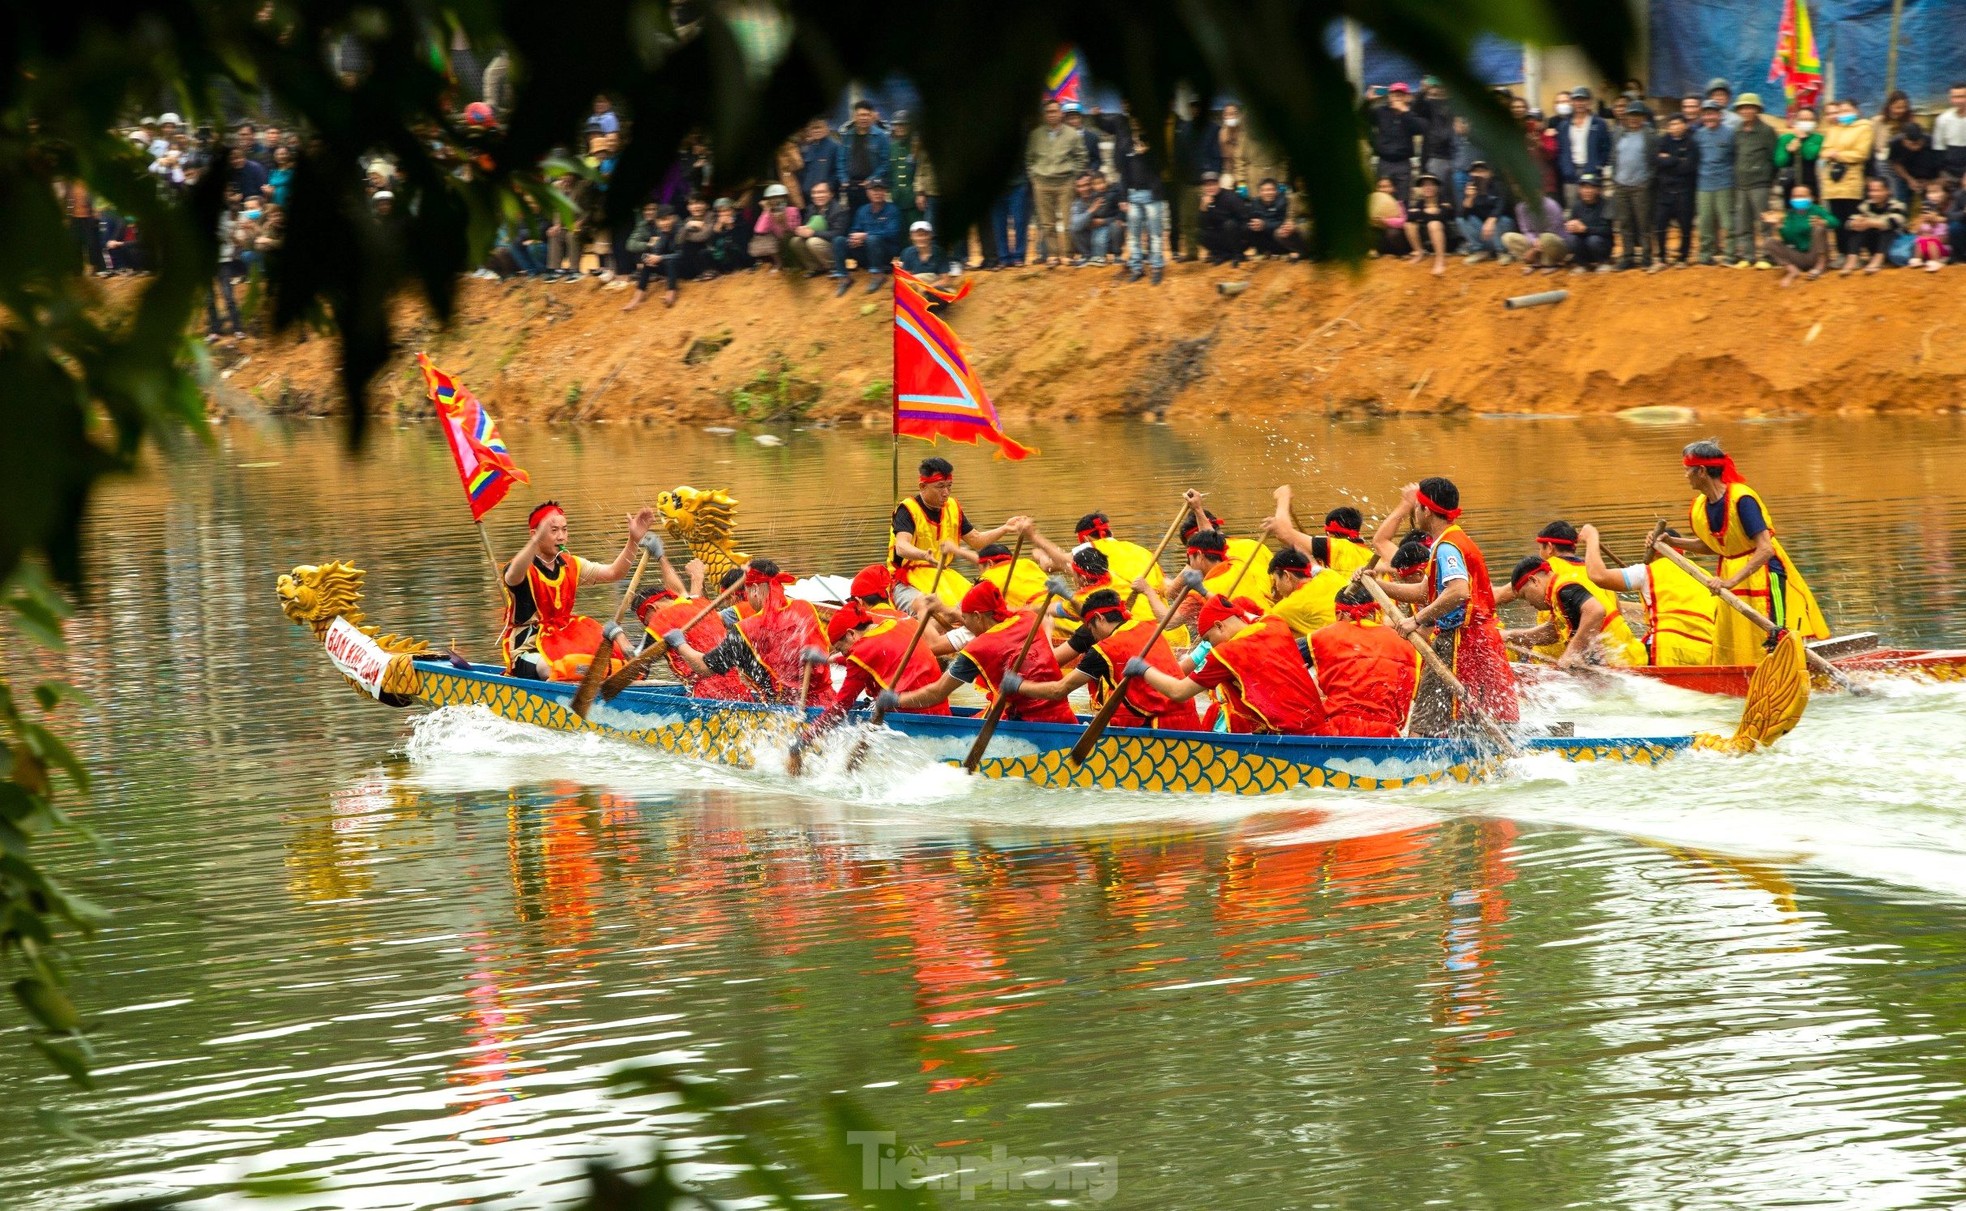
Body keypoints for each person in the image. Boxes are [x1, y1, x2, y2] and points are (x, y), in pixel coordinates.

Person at [1370, 478, 1518, 735]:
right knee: (1479, 718)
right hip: (1478, 640)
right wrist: (1374, 585)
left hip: (1461, 641)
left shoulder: (1447, 547)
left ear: (1426, 511)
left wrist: (1416, 621)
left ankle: (1414, 768)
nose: (1415, 513)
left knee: (1425, 720)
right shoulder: (1453, 540)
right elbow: (1422, 593)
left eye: (1416, 507)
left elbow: (1458, 591)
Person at [1679, 439, 1829, 665]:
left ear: (1701, 471)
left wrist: (1730, 581)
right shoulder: (1701, 505)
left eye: (1687, 470)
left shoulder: (1742, 499)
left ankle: (1786, 668)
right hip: (1733, 574)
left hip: (1767, 575)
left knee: (1774, 634)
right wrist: (1670, 541)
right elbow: (1716, 546)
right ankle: (1745, 675)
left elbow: (1765, 549)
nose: (1685, 475)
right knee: (1735, 634)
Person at [1127, 594, 1328, 736]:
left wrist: (1143, 669)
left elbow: (1178, 692)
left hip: (1287, 735)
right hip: (1319, 726)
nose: (1209, 645)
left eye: (1208, 638)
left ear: (1219, 625)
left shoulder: (1226, 653)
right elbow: (1240, 612)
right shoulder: (1275, 624)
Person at [500, 501, 656, 681]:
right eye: (553, 531)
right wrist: (534, 543)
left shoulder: (571, 564)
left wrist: (633, 541)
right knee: (558, 670)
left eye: (564, 530)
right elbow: (512, 576)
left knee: (612, 662)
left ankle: (613, 673)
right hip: (528, 650)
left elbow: (615, 572)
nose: (561, 537)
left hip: (566, 640)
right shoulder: (520, 568)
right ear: (535, 534)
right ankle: (585, 677)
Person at [1014, 588, 1204, 730]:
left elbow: (1059, 690)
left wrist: (1017, 686)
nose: (1092, 635)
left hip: (1160, 729)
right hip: (1190, 719)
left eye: (1090, 628)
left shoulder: (1104, 649)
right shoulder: (1148, 627)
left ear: (1099, 618)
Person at [895, 580, 1078, 725]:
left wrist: (896, 699)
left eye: (965, 618)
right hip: (1065, 716)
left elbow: (937, 693)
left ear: (977, 616)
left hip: (1025, 725)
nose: (964, 623)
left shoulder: (979, 647)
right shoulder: (1028, 619)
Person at [665, 558, 836, 707]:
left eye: (747, 591)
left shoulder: (745, 630)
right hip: (829, 703)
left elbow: (703, 667)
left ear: (754, 588)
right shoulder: (805, 607)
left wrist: (680, 643)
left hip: (785, 714)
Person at [887, 456, 1026, 609]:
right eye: (940, 486)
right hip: (907, 579)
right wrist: (924, 555)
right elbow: (901, 547)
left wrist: (1005, 528)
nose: (946, 493)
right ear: (922, 487)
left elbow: (976, 540)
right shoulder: (907, 509)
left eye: (949, 486)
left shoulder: (952, 507)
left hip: (944, 576)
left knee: (985, 604)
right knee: (932, 610)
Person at [1575, 523, 1715, 667]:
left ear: (1652, 551)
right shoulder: (1706, 577)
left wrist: (1592, 537)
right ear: (1684, 553)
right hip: (1706, 654)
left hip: (1666, 652)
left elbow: (1598, 576)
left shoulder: (1646, 572)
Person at [814, 598, 949, 728]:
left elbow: (842, 705)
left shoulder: (861, 652)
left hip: (914, 718)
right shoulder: (894, 624)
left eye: (840, 649)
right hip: (941, 709)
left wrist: (806, 738)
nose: (843, 654)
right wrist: (827, 659)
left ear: (851, 634)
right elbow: (871, 656)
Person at [1309, 585, 1419, 737]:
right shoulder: (1407, 644)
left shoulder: (1324, 635)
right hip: (1387, 733)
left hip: (1339, 731)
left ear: (1339, 614)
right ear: (1374, 613)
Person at [1502, 556, 1646, 669]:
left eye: (1524, 595)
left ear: (1534, 581)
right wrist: (1511, 635)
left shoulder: (1564, 587)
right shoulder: (1557, 593)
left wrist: (1570, 654)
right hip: (1619, 662)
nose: (1529, 603)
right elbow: (1552, 632)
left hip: (1623, 664)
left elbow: (1596, 611)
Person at [1026, 100, 1088, 266]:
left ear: (1061, 114)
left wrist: (1074, 177)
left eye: (1055, 111)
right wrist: (1034, 176)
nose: (1052, 115)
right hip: (1042, 182)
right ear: (1045, 115)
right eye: (1049, 112)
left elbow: (1082, 157)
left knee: (1067, 221)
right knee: (1047, 222)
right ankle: (1053, 255)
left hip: (1065, 182)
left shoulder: (1072, 134)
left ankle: (1067, 254)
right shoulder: (1036, 135)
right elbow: (1029, 159)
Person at [1819, 98, 1875, 267]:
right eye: (1841, 111)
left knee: (1853, 219)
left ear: (1856, 111)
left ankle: (1855, 254)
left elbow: (1861, 153)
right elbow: (1824, 151)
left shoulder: (1864, 127)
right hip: (1833, 182)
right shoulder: (1833, 129)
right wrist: (1831, 153)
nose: (1843, 114)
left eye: (1847, 110)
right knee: (1837, 220)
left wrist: (1838, 155)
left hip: (1852, 181)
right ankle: (1842, 253)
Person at [1730, 93, 1778, 267]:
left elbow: (1775, 158)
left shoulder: (1766, 131)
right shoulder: (1737, 131)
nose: (1746, 111)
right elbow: (1735, 155)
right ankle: (1748, 256)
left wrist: (1769, 180)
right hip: (1741, 184)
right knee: (1743, 222)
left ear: (1757, 110)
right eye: (1742, 108)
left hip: (1761, 184)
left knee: (1764, 222)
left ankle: (1766, 255)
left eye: (1750, 107)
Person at [1609, 103, 1657, 270]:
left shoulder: (1649, 135)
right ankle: (1627, 256)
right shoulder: (1619, 134)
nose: (1634, 119)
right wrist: (1615, 178)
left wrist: (1647, 181)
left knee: (1643, 223)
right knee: (1625, 223)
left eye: (1638, 115)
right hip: (1621, 185)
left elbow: (1654, 161)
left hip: (1641, 186)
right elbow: (1613, 158)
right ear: (1626, 117)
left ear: (1643, 118)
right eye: (1631, 115)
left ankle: (1646, 256)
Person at [833, 178, 900, 295]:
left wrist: (866, 236)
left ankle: (878, 276)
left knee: (872, 239)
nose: (877, 193)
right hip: (865, 250)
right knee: (839, 240)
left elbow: (892, 233)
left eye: (881, 190)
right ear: (868, 192)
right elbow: (855, 229)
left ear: (885, 192)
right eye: (874, 190)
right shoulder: (862, 210)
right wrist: (854, 239)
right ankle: (844, 278)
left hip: (885, 253)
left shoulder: (892, 210)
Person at [1263, 547, 1348, 638]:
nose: (1276, 586)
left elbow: (1259, 628)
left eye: (1275, 580)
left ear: (1287, 576)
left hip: (1335, 644)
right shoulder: (1330, 575)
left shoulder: (1284, 608)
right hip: (1354, 633)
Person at [1691, 100, 1737, 265]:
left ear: (1719, 115)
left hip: (1725, 183)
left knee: (1728, 222)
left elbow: (1735, 156)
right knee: (1705, 222)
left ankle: (1730, 255)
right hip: (1704, 184)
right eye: (1706, 113)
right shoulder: (1698, 135)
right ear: (1702, 116)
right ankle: (1705, 255)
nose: (1709, 117)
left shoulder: (1730, 133)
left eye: (1712, 113)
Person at [1764, 183, 1836, 286]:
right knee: (1769, 242)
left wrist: (1823, 222)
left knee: (1819, 228)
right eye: (1795, 196)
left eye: (1801, 196)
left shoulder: (1817, 210)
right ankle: (1793, 270)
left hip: (1814, 253)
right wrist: (1778, 226)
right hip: (1798, 256)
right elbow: (1788, 239)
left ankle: (1821, 265)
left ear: (1810, 198)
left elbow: (1835, 222)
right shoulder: (1790, 214)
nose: (1798, 199)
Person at [1368, 83, 1428, 201]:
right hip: (1384, 162)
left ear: (1407, 97)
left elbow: (1420, 129)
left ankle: (1401, 219)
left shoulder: (1411, 114)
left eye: (1401, 95)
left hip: (1403, 163)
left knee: (1403, 199)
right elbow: (1362, 118)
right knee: (1383, 198)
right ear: (1389, 97)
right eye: (1394, 95)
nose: (1397, 98)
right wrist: (1368, 102)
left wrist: (1404, 111)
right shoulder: (1381, 111)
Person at [1556, 86, 1612, 208]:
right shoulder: (1564, 125)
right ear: (1572, 102)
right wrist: (1565, 167)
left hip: (1591, 172)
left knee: (1594, 207)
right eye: (1576, 100)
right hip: (1571, 173)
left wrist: (1598, 165)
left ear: (1589, 102)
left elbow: (1606, 148)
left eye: (1583, 100)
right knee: (1573, 207)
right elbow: (1560, 150)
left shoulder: (1599, 123)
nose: (1579, 103)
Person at [1653, 112, 1697, 265]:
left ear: (1685, 125)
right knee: (1660, 225)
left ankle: (1683, 256)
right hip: (1664, 192)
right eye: (1672, 124)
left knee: (1685, 226)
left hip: (1684, 192)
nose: (1675, 127)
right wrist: (1677, 159)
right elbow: (1657, 161)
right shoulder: (1662, 141)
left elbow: (1688, 167)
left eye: (1678, 123)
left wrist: (1669, 160)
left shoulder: (1691, 142)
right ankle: (1661, 256)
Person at [1840, 176, 1906, 275]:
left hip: (1894, 245)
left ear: (1888, 191)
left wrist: (1870, 223)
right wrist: (1856, 223)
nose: (1874, 194)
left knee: (1887, 229)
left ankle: (1877, 260)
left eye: (1878, 191)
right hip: (1874, 244)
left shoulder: (1897, 205)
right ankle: (1851, 260)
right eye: (1871, 191)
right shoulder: (1866, 205)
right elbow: (1848, 223)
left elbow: (1894, 223)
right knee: (1858, 229)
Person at [621, 203, 681, 310]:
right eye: (662, 220)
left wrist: (661, 258)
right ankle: (637, 297)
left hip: (683, 267)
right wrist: (649, 257)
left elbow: (682, 255)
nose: (665, 223)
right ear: (657, 221)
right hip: (669, 266)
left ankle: (671, 293)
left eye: (667, 219)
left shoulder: (680, 231)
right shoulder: (662, 232)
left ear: (673, 218)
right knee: (649, 263)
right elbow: (657, 250)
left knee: (669, 261)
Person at [1458, 160, 1515, 263]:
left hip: (1500, 229)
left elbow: (1503, 205)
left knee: (1504, 220)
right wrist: (1469, 199)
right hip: (1483, 232)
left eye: (1482, 171)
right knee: (1460, 220)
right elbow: (1463, 215)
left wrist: (1491, 219)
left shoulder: (1499, 185)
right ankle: (1480, 251)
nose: (1478, 175)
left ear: (1490, 173)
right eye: (1475, 172)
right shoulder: (1470, 188)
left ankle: (1502, 252)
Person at [1502, 190, 1569, 271]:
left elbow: (1554, 232)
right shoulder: (1520, 208)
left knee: (1546, 237)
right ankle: (1536, 262)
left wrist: (1534, 250)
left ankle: (1550, 262)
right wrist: (1534, 241)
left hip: (1555, 243)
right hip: (1535, 243)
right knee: (1508, 237)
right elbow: (1526, 230)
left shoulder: (1551, 205)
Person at [1403, 173, 1455, 275]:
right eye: (1424, 185)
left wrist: (1421, 213)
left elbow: (1441, 216)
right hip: (1427, 240)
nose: (1428, 187)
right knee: (1409, 225)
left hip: (1446, 240)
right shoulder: (1420, 203)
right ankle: (1419, 252)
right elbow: (1409, 218)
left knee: (1434, 224)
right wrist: (1429, 211)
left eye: (1431, 184)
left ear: (1437, 187)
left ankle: (1440, 260)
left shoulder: (1444, 200)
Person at [1563, 172, 1615, 271]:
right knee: (1571, 239)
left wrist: (1585, 229)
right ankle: (1582, 264)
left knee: (1593, 240)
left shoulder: (1606, 204)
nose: (1587, 191)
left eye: (1591, 187)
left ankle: (1603, 262)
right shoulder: (1576, 206)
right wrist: (1571, 226)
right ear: (1579, 190)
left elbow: (1607, 230)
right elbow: (1571, 225)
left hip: (1601, 245)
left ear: (1598, 190)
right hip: (1583, 245)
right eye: (1584, 188)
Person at [1196, 172, 1248, 263]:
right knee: (1199, 233)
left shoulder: (1231, 197)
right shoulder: (1204, 200)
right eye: (1207, 186)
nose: (1210, 188)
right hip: (1220, 236)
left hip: (1237, 236)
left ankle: (1237, 254)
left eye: (1213, 185)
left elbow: (1244, 218)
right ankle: (1220, 254)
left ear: (1219, 184)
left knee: (1229, 224)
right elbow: (1202, 225)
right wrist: (1203, 208)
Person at [1774, 105, 1823, 197]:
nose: (1806, 122)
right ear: (1796, 121)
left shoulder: (1819, 138)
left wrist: (1801, 139)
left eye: (1810, 119)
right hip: (1789, 183)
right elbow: (1779, 162)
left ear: (1815, 122)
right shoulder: (1786, 138)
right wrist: (1788, 151)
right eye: (1802, 119)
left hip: (1811, 183)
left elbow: (1810, 155)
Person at [1910, 182, 1953, 270]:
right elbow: (1914, 231)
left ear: (1946, 193)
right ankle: (1917, 259)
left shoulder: (1952, 208)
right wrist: (1922, 221)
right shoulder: (1924, 212)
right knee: (1920, 240)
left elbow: (1946, 238)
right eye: (1929, 192)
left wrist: (1936, 221)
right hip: (1926, 245)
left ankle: (1936, 261)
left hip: (1942, 247)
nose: (1932, 196)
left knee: (1932, 241)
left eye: (1936, 192)